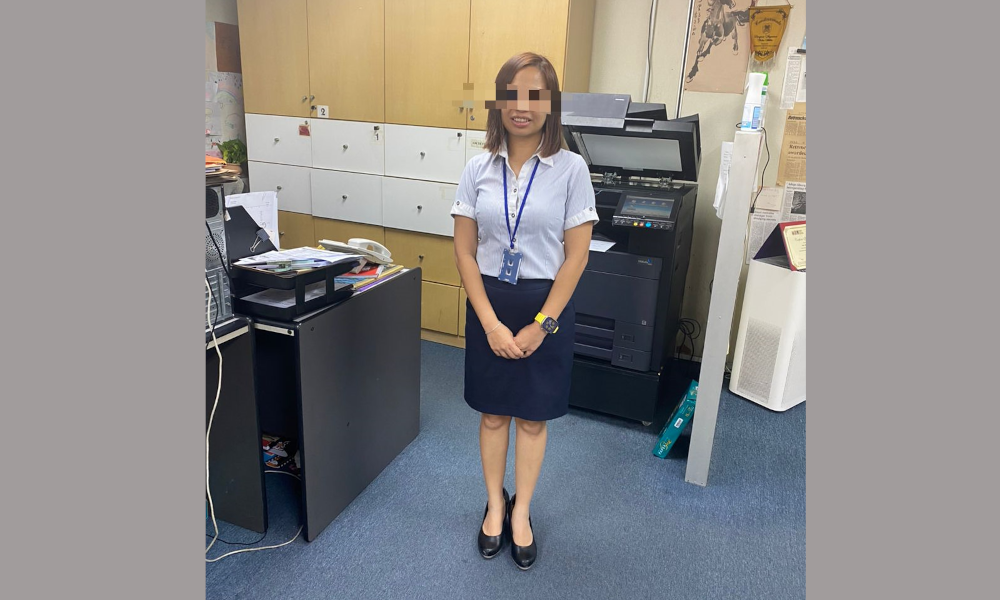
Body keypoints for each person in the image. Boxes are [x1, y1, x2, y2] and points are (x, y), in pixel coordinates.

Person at [450, 52, 597, 571]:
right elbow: (464, 252)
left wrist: (542, 325)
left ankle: (522, 511)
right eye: (512, 93)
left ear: (551, 104)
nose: (522, 105)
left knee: (532, 420)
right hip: (489, 303)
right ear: (499, 100)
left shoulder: (571, 169)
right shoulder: (477, 168)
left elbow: (576, 257)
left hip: (545, 307)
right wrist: (490, 323)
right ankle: (495, 504)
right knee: (493, 414)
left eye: (535, 95)